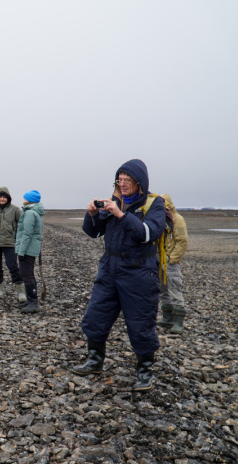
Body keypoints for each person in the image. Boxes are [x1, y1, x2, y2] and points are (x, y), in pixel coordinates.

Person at [72, 159, 166, 393]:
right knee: (96, 314)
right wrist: (92, 214)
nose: (122, 185)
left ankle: (145, 370)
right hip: (110, 268)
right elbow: (92, 232)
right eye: (119, 180)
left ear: (139, 183)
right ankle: (94, 361)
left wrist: (121, 215)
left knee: (140, 321)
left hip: (139, 271)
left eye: (127, 180)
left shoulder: (154, 204)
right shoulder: (115, 202)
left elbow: (148, 233)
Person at [157, 194, 189, 334]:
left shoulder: (178, 220)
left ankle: (178, 322)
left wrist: (172, 259)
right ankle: (167, 317)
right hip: (161, 259)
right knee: (163, 289)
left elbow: (182, 241)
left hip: (170, 261)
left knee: (174, 288)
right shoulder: (162, 220)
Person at [15, 190, 45, 313]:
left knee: (26, 275)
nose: (23, 199)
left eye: (25, 197)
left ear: (29, 199)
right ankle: (30, 299)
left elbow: (27, 234)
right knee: (28, 274)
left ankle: (33, 303)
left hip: (27, 249)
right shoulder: (35, 212)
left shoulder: (30, 213)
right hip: (31, 248)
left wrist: (21, 252)